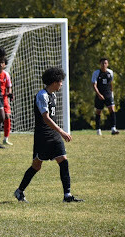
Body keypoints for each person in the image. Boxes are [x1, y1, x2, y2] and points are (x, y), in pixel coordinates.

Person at [14, 67, 83, 203]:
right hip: (43, 136)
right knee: (36, 166)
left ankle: (67, 195)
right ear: (54, 82)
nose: (62, 84)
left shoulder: (53, 95)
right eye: (60, 81)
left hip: (54, 134)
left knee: (63, 160)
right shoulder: (42, 95)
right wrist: (62, 131)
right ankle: (19, 191)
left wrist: (58, 132)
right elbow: (45, 118)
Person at [92, 58, 119, 135]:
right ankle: (98, 129)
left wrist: (112, 93)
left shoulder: (110, 72)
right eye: (102, 63)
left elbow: (111, 83)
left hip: (108, 94)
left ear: (107, 64)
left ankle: (113, 128)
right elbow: (94, 85)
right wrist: (99, 94)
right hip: (99, 94)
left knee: (112, 110)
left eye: (105, 63)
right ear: (100, 64)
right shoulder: (96, 73)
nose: (104, 65)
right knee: (98, 111)